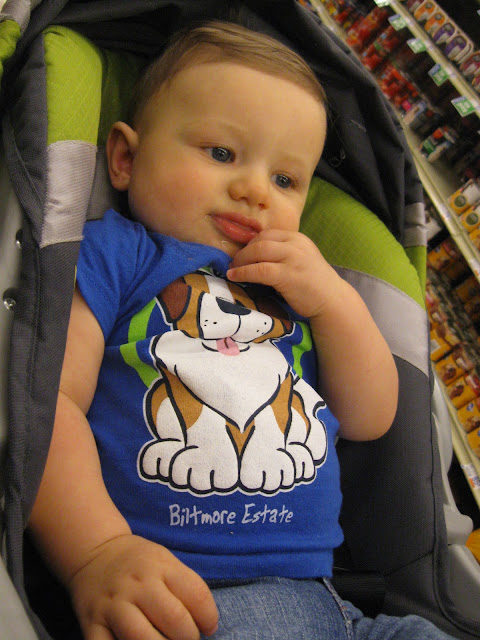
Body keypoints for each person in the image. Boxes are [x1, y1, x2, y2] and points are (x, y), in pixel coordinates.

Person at [28, 20, 454, 640]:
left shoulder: (295, 291)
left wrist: (334, 302)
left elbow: (371, 417)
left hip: (334, 604)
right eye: (222, 154)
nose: (256, 191)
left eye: (285, 181)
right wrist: (98, 551)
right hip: (181, 596)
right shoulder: (118, 255)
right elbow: (50, 401)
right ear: (125, 158)